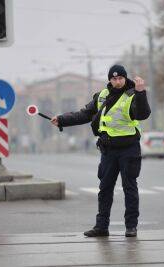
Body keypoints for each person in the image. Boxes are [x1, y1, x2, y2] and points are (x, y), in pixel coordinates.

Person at [51, 65, 151, 237]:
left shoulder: (133, 94)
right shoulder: (102, 95)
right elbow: (84, 114)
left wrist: (141, 93)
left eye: (120, 78)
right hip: (109, 150)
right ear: (110, 80)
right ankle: (101, 227)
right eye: (114, 79)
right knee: (104, 189)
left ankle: (131, 226)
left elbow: (143, 114)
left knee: (129, 188)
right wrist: (61, 120)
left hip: (129, 149)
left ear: (125, 79)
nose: (117, 81)